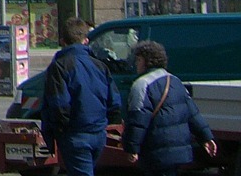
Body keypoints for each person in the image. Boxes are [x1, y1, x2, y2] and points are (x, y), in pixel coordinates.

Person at [41, 16, 122, 176]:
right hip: (98, 132)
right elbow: (115, 103)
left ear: (62, 41)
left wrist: (59, 131)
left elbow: (58, 104)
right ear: (85, 40)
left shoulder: (60, 67)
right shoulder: (100, 65)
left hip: (75, 134)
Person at [122, 40, 217, 175]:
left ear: (146, 61)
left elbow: (138, 121)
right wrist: (206, 137)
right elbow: (192, 114)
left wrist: (132, 148)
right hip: (179, 149)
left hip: (156, 150)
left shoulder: (142, 85)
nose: (136, 64)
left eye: (138, 59)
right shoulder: (175, 81)